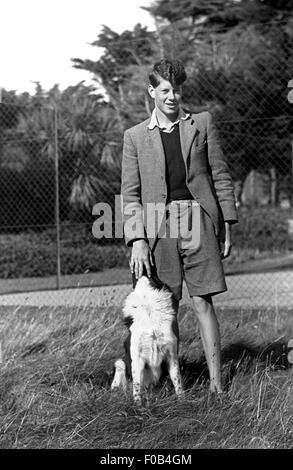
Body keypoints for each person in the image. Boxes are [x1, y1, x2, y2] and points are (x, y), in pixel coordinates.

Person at [121, 58, 238, 394]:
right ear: (152, 91)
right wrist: (138, 240)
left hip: (199, 220)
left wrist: (227, 222)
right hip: (158, 229)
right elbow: (130, 193)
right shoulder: (134, 137)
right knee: (163, 308)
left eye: (177, 89)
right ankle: (165, 385)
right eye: (165, 90)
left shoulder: (201, 123)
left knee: (203, 302)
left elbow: (220, 175)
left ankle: (217, 387)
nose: (173, 96)